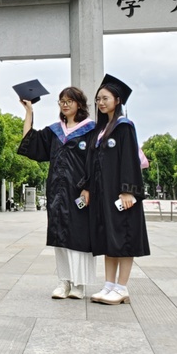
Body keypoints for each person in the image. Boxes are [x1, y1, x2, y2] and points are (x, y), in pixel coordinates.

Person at [18, 87, 98, 299]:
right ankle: (64, 282)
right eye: (62, 101)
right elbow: (29, 141)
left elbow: (96, 163)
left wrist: (89, 188)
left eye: (70, 101)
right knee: (60, 237)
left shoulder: (91, 130)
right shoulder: (55, 131)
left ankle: (79, 284)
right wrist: (29, 112)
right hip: (56, 192)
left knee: (79, 238)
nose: (65, 104)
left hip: (79, 192)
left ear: (79, 104)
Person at [79, 73, 150, 305]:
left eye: (105, 98)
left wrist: (128, 190)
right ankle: (109, 285)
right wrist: (87, 187)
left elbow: (129, 159)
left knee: (123, 237)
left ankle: (122, 288)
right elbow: (91, 163)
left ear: (117, 100)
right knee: (109, 238)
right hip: (103, 194)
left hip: (121, 194)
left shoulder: (123, 127)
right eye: (98, 99)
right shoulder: (100, 131)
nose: (100, 103)